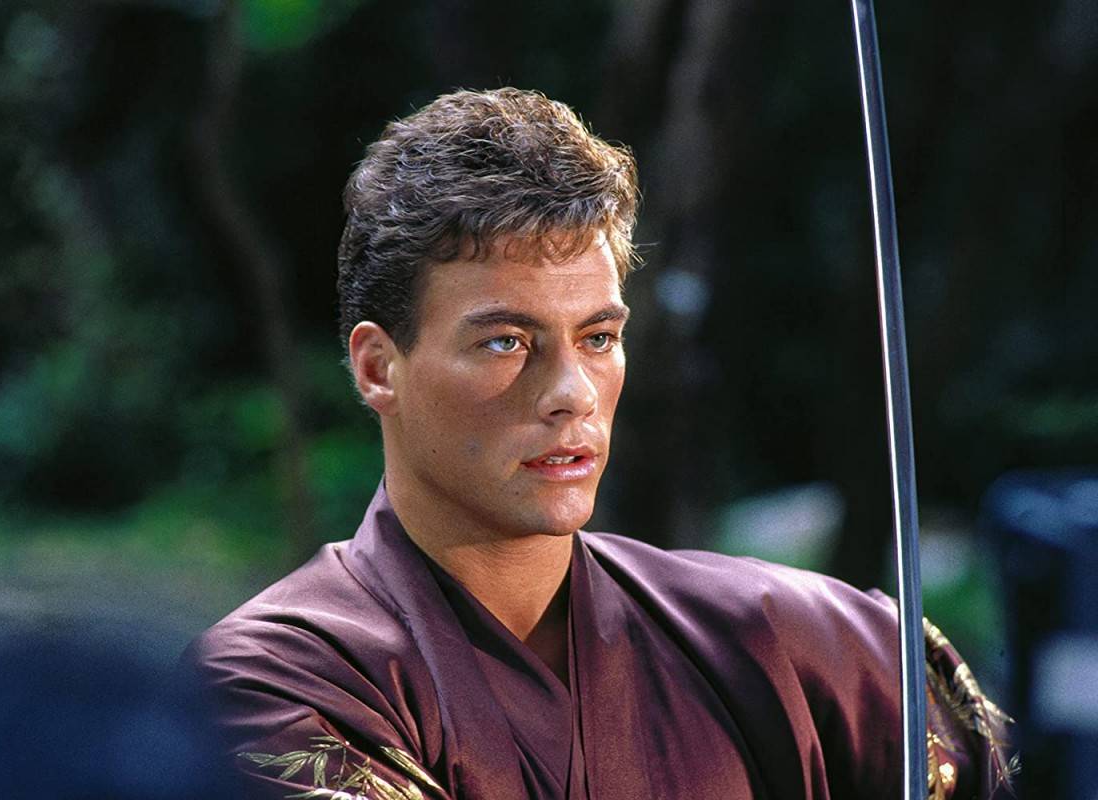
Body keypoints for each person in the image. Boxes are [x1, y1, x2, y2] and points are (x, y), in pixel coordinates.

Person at [185, 88, 1015, 799]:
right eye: (506, 342)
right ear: (379, 367)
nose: (572, 393)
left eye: (598, 338)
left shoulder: (818, 654)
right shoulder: (266, 692)